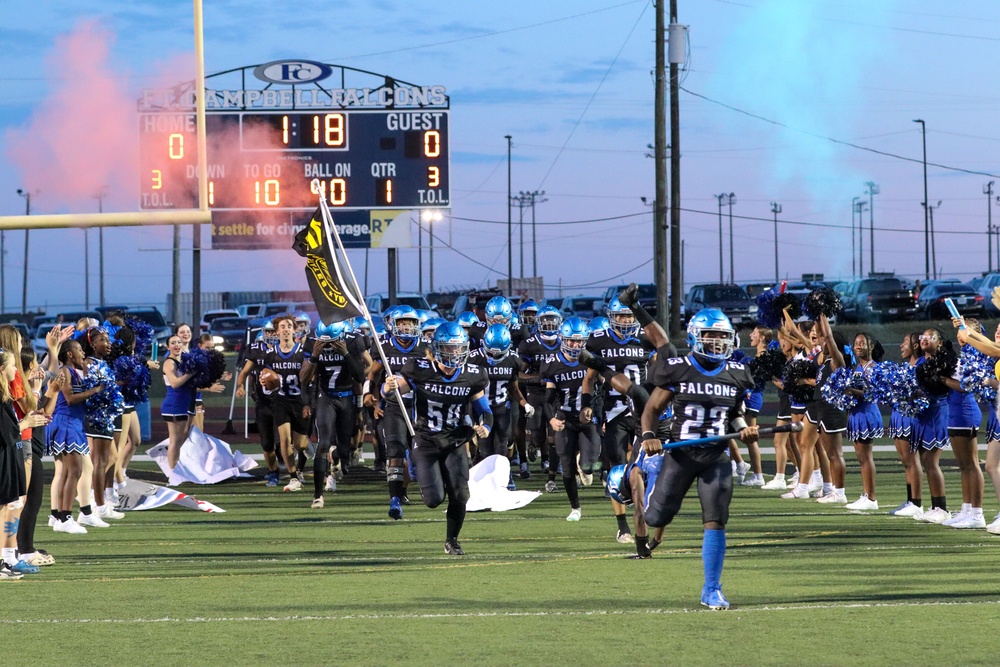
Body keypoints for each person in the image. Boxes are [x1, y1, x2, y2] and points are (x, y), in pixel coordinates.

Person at [640, 308, 758, 610]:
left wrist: (744, 431)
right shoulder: (679, 368)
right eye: (711, 335)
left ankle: (711, 588)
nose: (718, 342)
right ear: (696, 336)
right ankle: (651, 475)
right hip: (680, 453)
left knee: (716, 519)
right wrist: (649, 436)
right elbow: (651, 409)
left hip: (715, 456)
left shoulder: (736, 373)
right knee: (655, 517)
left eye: (722, 336)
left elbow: (734, 414)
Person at [381, 322, 491, 555]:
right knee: (433, 500)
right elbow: (393, 391)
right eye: (449, 348)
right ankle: (425, 471)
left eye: (458, 348)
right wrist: (387, 387)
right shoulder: (419, 367)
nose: (455, 353)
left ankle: (452, 540)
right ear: (437, 348)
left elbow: (484, 409)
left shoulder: (473, 375)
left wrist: (486, 426)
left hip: (455, 439)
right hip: (426, 439)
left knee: (461, 493)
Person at [582, 295, 655, 542]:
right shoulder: (599, 341)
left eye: (628, 315)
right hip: (613, 411)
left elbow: (660, 372)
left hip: (642, 412)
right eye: (621, 316)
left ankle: (643, 515)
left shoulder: (645, 341)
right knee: (616, 468)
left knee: (644, 465)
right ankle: (622, 525)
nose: (625, 320)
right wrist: (586, 405)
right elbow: (589, 378)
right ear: (612, 318)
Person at [364, 306, 429, 519]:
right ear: (394, 325)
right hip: (394, 407)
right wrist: (369, 397)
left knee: (420, 456)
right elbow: (372, 374)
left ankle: (416, 489)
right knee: (395, 453)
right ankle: (394, 500)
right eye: (402, 323)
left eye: (410, 323)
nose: (407, 327)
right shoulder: (385, 347)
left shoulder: (426, 348)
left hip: (420, 408)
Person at [299, 320, 366, 509]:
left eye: (332, 342)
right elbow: (303, 378)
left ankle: (335, 456)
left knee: (345, 450)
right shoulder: (313, 342)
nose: (328, 346)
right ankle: (317, 495)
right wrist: (314, 356)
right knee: (323, 444)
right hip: (326, 397)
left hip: (347, 398)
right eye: (324, 342)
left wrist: (345, 352)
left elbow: (360, 376)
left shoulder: (353, 341)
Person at [540, 317, 600, 521]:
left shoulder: (591, 360)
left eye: (579, 341)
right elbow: (547, 400)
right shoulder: (552, 364)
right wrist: (551, 420)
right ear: (563, 339)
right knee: (566, 467)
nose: (576, 345)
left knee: (590, 467)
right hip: (565, 419)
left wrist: (592, 407)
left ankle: (585, 465)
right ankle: (575, 508)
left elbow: (603, 389)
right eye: (572, 340)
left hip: (586, 420)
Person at [0, 348, 49, 578]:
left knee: (11, 504)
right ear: (2, 370)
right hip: (8, 454)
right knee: (7, 506)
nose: (15, 370)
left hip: (12, 453)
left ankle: (7, 558)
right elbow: (7, 432)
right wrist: (26, 422)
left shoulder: (5, 397)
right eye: (11, 366)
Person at [46, 340, 103, 535]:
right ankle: (65, 517)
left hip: (73, 423)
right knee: (74, 471)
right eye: (78, 350)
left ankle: (60, 516)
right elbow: (70, 399)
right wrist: (95, 391)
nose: (82, 353)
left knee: (69, 472)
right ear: (69, 354)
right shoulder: (65, 372)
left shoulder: (75, 372)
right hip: (66, 423)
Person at [840, 332, 885, 509]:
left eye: (862, 343)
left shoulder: (873, 367)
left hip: (867, 414)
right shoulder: (857, 368)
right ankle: (866, 494)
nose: (858, 346)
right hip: (856, 415)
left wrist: (849, 390)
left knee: (866, 457)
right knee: (861, 457)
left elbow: (872, 394)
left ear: (871, 347)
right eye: (856, 343)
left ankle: (871, 498)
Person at [887, 332, 925, 518]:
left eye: (904, 342)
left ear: (915, 346)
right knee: (905, 462)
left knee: (912, 460)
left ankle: (917, 503)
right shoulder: (904, 367)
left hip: (911, 417)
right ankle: (910, 500)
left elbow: (922, 392)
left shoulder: (921, 365)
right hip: (898, 416)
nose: (901, 346)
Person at [160, 334, 196, 470]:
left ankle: (175, 468)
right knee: (175, 440)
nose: (177, 345)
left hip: (181, 404)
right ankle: (173, 472)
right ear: (168, 347)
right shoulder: (169, 362)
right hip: (174, 403)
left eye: (179, 342)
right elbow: (175, 383)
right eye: (173, 343)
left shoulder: (182, 361)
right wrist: (190, 374)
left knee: (180, 439)